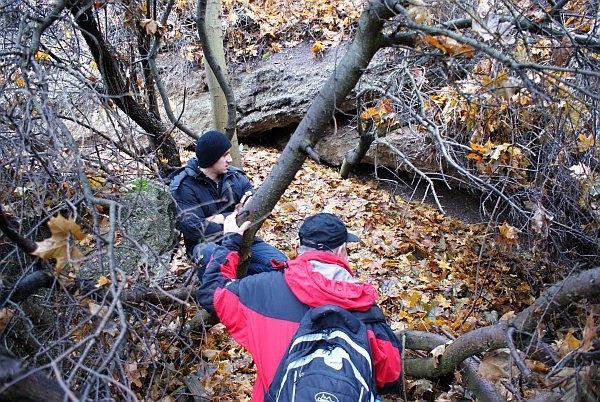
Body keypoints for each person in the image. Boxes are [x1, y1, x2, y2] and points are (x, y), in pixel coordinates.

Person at [197, 212, 403, 401]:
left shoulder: (260, 291)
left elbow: (211, 292)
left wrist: (231, 242)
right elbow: (390, 376)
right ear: (341, 251)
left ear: (299, 249)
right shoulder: (365, 306)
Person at [169, 130, 287, 275]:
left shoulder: (235, 177)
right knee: (219, 264)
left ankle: (245, 283)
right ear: (210, 158)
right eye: (224, 155)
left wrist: (220, 218)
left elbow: (255, 207)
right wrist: (233, 217)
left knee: (282, 265)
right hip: (205, 246)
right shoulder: (184, 186)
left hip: (242, 239)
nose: (230, 159)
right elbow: (193, 229)